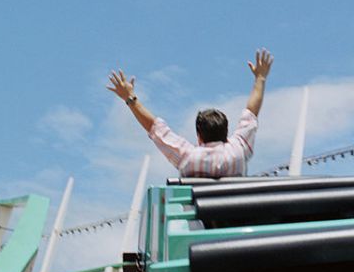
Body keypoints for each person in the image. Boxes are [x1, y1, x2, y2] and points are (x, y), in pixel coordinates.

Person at [107, 48, 274, 177]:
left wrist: (129, 98)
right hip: (234, 220)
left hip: (197, 221)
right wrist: (260, 78)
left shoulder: (188, 156)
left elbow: (155, 128)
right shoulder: (238, 150)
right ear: (226, 133)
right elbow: (251, 113)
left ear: (199, 135)